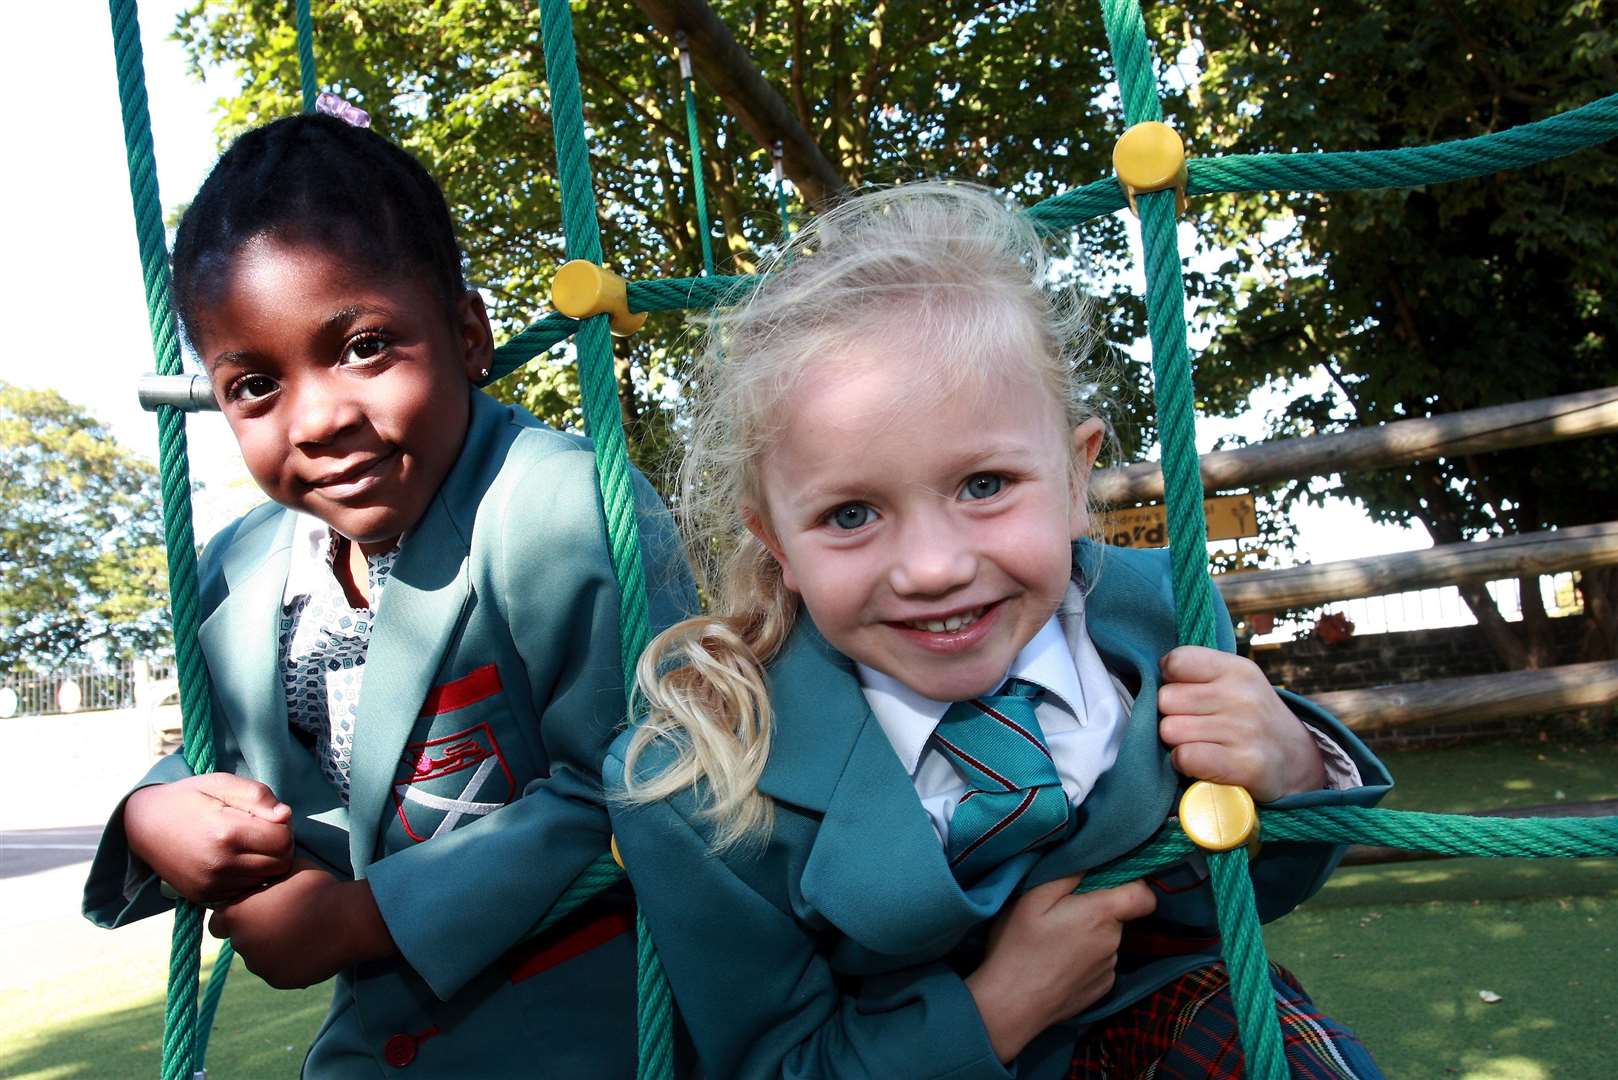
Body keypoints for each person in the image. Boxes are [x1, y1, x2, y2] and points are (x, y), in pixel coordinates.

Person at [606, 183, 1391, 1079]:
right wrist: (999, 1009)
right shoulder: (703, 781)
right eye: (853, 513)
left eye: (984, 485)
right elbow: (773, 1064)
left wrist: (1289, 771)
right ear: (775, 543)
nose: (932, 567)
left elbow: (1235, 897)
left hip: (1160, 1019)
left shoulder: (1158, 619)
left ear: (1073, 476)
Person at [83, 112, 693, 1077]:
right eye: (253, 385)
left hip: (596, 1038)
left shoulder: (560, 507)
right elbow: (222, 757)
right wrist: (154, 817)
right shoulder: (242, 573)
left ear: (467, 332)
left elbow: (654, 784)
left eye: (364, 346)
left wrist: (354, 921)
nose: (318, 418)